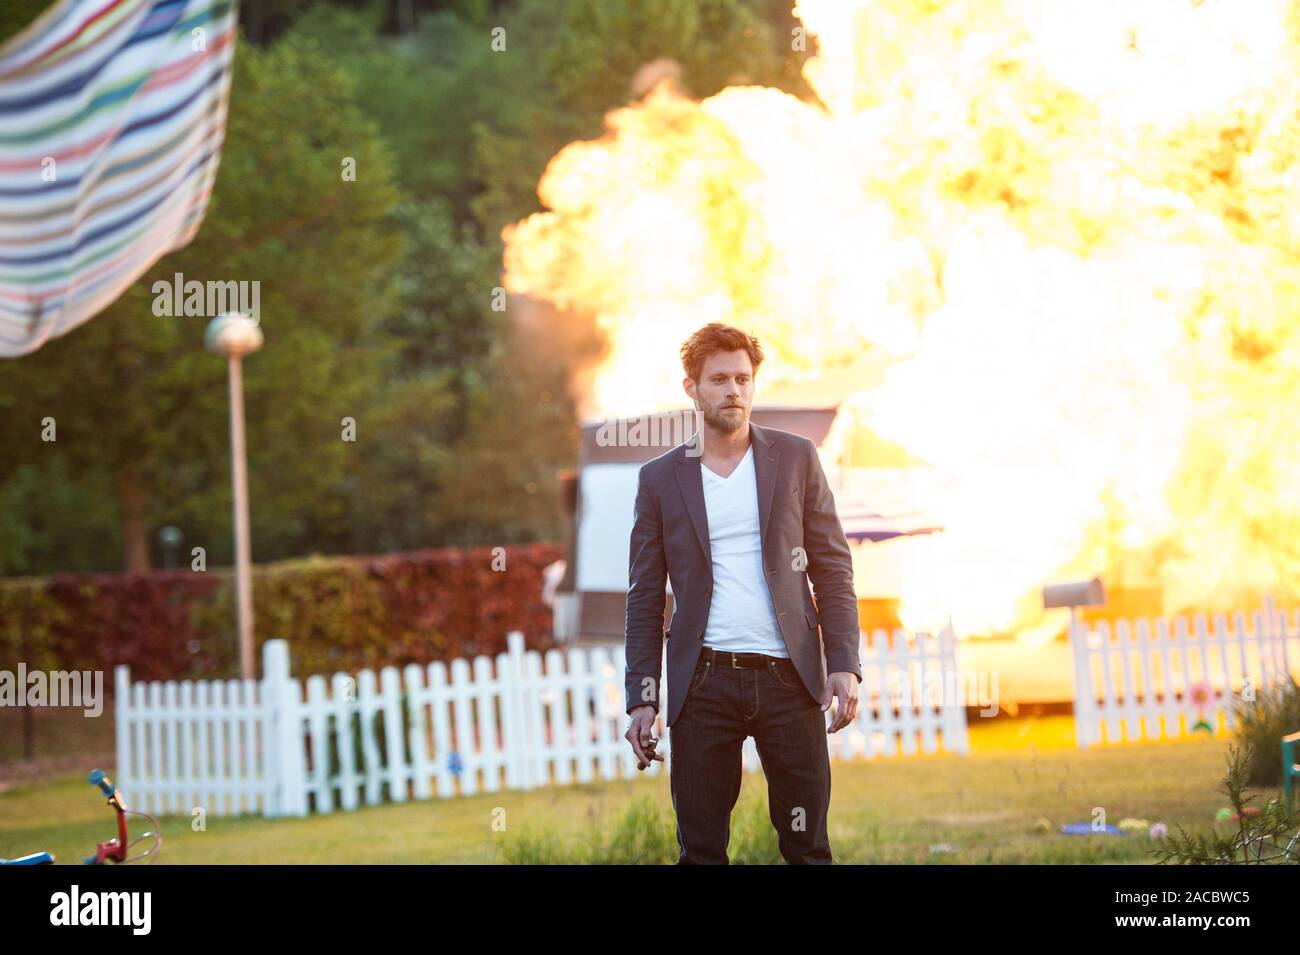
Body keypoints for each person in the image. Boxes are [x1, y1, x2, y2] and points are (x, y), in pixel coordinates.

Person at [623, 322, 863, 864]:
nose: (734, 390)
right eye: (719, 380)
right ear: (692, 388)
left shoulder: (796, 458)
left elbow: (832, 566)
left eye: (743, 378)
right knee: (702, 850)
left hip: (789, 680)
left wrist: (844, 662)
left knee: (807, 846)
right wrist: (642, 696)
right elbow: (644, 595)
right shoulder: (661, 480)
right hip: (703, 684)